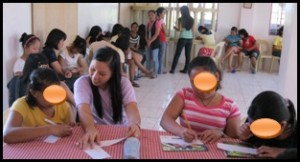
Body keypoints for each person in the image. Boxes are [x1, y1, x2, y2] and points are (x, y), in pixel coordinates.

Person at [161, 56, 241, 143]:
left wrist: (221, 134)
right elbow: (165, 120)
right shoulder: (184, 95)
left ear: (217, 76)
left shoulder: (230, 107)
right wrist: (181, 131)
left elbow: (234, 138)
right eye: (193, 81)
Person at [74, 47, 141, 149]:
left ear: (113, 74)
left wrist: (134, 124)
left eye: (102, 74)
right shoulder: (82, 83)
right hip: (96, 129)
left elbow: (131, 107)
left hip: (122, 131)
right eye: (92, 69)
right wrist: (90, 129)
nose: (95, 76)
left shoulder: (123, 83)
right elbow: (83, 110)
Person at [3, 68, 74, 144]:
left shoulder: (63, 105)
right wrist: (49, 129)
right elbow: (7, 135)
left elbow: (68, 129)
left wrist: (68, 127)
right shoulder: (21, 105)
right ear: (33, 92)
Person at [7, 54, 76, 117]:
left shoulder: (15, 80)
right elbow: (77, 103)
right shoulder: (40, 85)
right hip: (32, 119)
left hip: (11, 115)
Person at [238, 91, 297, 159]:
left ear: (282, 125)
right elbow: (252, 144)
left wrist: (283, 153)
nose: (254, 130)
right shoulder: (255, 118)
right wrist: (245, 137)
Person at [170, 5, 194, 74]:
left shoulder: (180, 19)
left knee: (177, 54)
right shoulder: (192, 19)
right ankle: (185, 70)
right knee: (188, 55)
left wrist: (175, 28)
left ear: (182, 11)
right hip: (190, 39)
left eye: (181, 11)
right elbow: (193, 30)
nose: (180, 12)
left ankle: (172, 69)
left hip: (183, 38)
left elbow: (180, 29)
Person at [146, 10, 161, 77]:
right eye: (149, 15)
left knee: (155, 59)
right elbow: (145, 34)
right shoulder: (148, 24)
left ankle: (155, 73)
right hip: (148, 43)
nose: (150, 16)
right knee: (148, 58)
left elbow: (156, 34)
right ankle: (147, 72)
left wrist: (150, 41)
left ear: (155, 15)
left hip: (155, 43)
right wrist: (147, 41)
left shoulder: (157, 23)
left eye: (152, 15)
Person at [156, 7, 167, 74]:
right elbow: (165, 31)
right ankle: (160, 70)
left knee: (157, 56)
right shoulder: (162, 21)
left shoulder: (155, 20)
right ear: (160, 13)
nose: (164, 14)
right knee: (161, 55)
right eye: (164, 13)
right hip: (162, 39)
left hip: (156, 39)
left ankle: (157, 69)